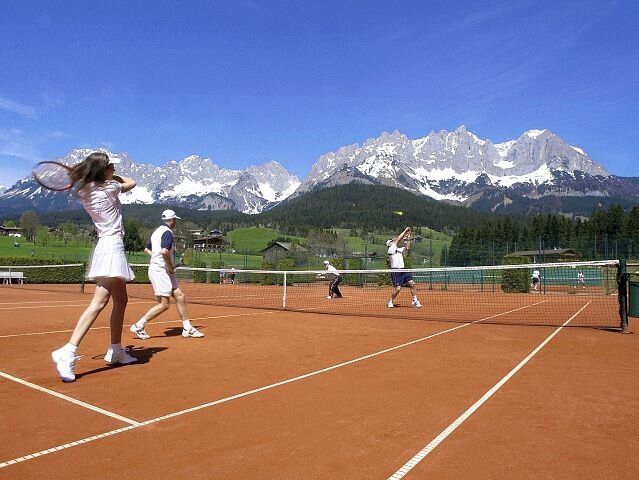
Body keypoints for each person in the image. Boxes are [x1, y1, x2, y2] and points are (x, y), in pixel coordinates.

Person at [51, 152, 138, 382]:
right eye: (110, 166)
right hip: (111, 248)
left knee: (121, 301)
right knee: (99, 303)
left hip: (107, 245)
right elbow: (132, 182)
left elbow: (98, 180)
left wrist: (101, 173)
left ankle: (116, 349)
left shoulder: (85, 191)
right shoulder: (110, 189)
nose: (114, 168)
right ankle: (68, 351)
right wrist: (114, 176)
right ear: (104, 172)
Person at [129, 209, 204, 340]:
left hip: (161, 269)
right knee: (164, 304)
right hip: (160, 271)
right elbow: (164, 252)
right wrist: (169, 267)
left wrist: (158, 259)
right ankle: (138, 325)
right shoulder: (167, 233)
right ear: (172, 220)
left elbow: (147, 248)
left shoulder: (156, 232)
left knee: (180, 296)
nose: (176, 222)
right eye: (175, 220)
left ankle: (187, 328)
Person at [386, 227, 422, 308]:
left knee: (412, 284)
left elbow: (407, 248)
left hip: (403, 270)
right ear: (389, 245)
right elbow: (398, 239)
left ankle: (415, 300)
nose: (394, 241)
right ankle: (390, 301)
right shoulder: (391, 250)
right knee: (398, 289)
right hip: (396, 272)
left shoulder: (398, 250)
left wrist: (408, 238)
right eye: (392, 242)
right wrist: (405, 230)